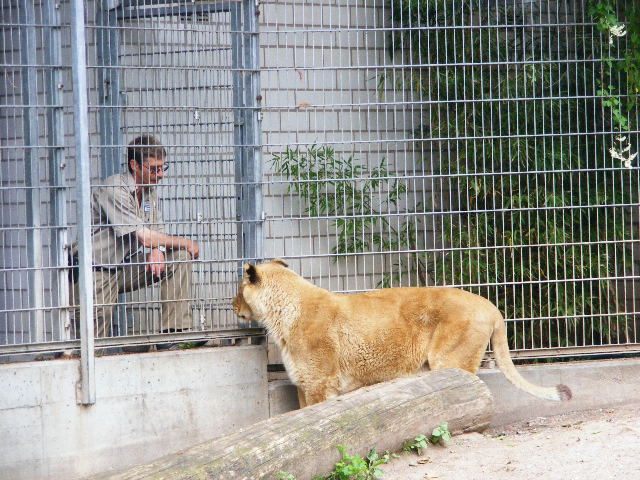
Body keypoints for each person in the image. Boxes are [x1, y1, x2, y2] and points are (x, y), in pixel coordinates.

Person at [69, 135, 201, 350]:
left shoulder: (149, 192)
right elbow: (144, 236)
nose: (159, 176)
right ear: (134, 165)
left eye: (162, 168)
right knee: (92, 344)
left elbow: (155, 230)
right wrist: (184, 241)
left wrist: (158, 249)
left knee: (178, 257)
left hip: (124, 267)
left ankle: (173, 335)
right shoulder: (114, 189)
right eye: (153, 169)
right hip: (95, 270)